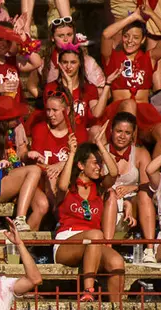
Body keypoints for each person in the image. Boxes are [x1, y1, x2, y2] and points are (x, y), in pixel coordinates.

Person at [54, 141, 126, 302]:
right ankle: (88, 291)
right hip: (67, 242)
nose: (99, 167)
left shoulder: (98, 187)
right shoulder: (69, 187)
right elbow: (62, 185)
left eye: (100, 163)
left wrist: (100, 145)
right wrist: (72, 153)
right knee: (95, 235)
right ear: (80, 165)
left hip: (95, 241)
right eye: (95, 162)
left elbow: (113, 173)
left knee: (117, 262)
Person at [0, 97, 45, 231]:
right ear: (3, 121)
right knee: (34, 171)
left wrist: (28, 155)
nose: (18, 119)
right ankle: (20, 219)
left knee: (42, 205)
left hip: (16, 175)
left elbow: (22, 153)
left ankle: (24, 246)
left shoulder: (17, 127)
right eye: (14, 117)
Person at [100, 11, 161, 156]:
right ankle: (130, 159)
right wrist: (132, 17)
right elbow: (106, 35)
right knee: (129, 104)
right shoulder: (112, 57)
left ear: (143, 39)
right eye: (126, 36)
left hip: (145, 116)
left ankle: (154, 174)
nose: (130, 41)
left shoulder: (149, 58)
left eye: (135, 37)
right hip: (119, 111)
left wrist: (151, 14)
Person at [25, 92, 87, 225]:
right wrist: (52, 168)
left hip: (69, 182)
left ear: (67, 110)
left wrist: (62, 164)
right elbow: (37, 164)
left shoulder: (79, 131)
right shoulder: (40, 129)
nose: (50, 114)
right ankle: (60, 217)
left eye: (55, 110)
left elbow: (83, 162)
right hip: (42, 181)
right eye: (47, 110)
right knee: (51, 178)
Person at [107, 112, 157, 262]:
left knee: (143, 194)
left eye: (127, 133)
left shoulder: (141, 154)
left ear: (133, 135)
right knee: (109, 196)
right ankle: (107, 248)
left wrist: (132, 188)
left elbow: (147, 185)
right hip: (108, 200)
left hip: (133, 202)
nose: (122, 136)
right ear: (111, 131)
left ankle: (149, 250)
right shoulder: (100, 151)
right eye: (119, 131)